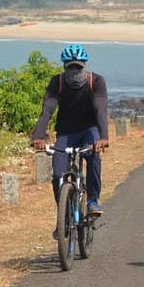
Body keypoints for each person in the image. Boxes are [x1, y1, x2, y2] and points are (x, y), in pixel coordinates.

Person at [31, 44, 109, 219]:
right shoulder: (57, 83)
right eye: (70, 68)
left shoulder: (96, 82)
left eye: (78, 67)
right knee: (58, 174)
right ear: (64, 68)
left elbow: (100, 109)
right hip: (66, 133)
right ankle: (64, 217)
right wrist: (38, 136)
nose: (74, 72)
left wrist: (103, 137)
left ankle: (92, 202)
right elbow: (47, 110)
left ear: (84, 65)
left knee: (94, 157)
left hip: (90, 129)